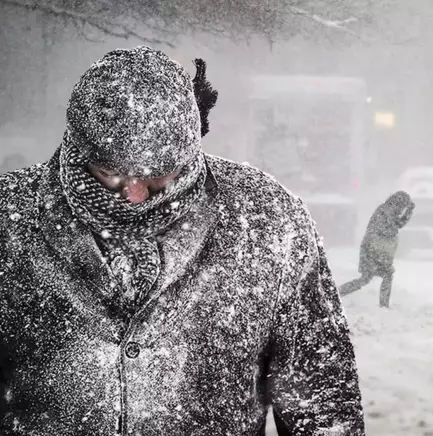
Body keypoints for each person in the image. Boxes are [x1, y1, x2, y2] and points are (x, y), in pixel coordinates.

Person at [0, 46, 364, 436]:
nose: (136, 194)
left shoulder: (268, 220)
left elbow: (322, 400)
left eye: (159, 175)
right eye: (110, 172)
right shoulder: (9, 220)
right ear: (78, 149)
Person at [339, 191, 415, 308]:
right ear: (399, 203)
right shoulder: (385, 211)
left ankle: (338, 293)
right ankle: (338, 293)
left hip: (376, 250)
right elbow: (390, 229)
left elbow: (398, 224)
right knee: (375, 277)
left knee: (370, 278)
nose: (402, 210)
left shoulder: (388, 211)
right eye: (403, 206)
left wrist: (408, 212)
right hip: (373, 251)